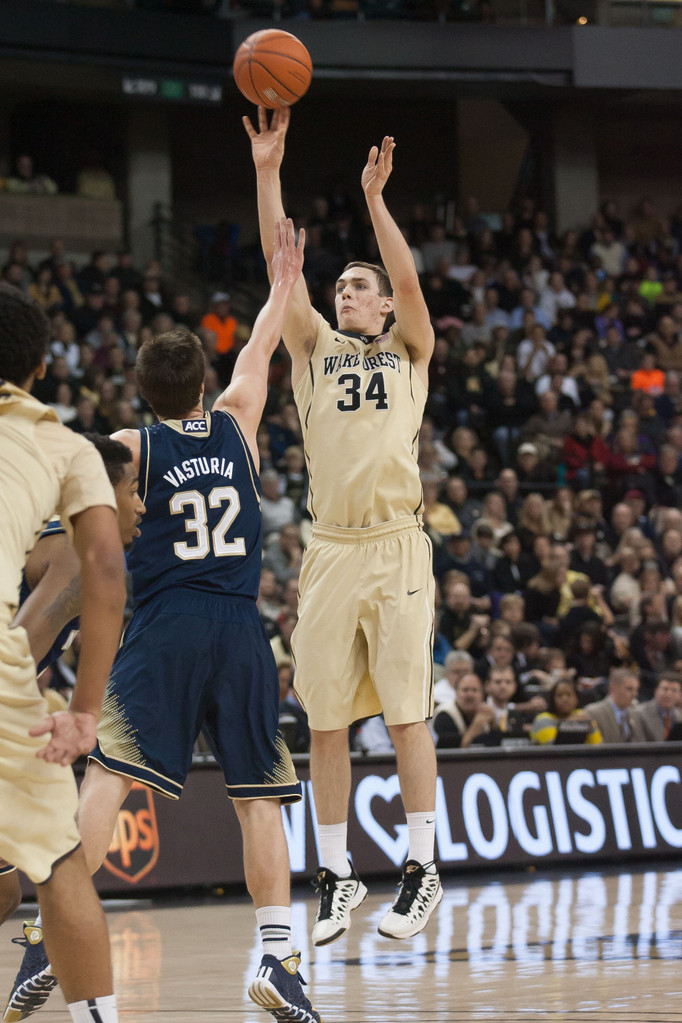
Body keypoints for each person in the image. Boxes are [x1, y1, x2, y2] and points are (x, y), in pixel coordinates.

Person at [246, 106, 441, 945]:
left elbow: (408, 280)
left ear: (384, 308)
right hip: (330, 550)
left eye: (358, 286)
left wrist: (375, 202)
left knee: (405, 715)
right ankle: (335, 875)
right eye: (341, 287)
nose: (346, 292)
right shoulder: (316, 352)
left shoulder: (409, 352)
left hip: (397, 543)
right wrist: (266, 171)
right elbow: (276, 266)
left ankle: (422, 867)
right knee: (324, 721)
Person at [0, 282, 126, 1023]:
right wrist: (82, 712)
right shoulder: (65, 444)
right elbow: (103, 570)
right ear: (44, 370)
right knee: (56, 862)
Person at [1, 433, 145, 1017]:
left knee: (8, 887)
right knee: (62, 864)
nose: (141, 505)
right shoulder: (75, 557)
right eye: (134, 491)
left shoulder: (50, 537)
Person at [530, 678, 602, 745]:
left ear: (576, 699)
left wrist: (590, 726)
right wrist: (570, 723)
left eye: (569, 695)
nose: (565, 699)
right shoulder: (542, 719)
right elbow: (554, 749)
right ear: (552, 699)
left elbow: (597, 747)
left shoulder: (582, 716)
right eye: (559, 695)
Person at [587, 668, 645, 743]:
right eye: (629, 689)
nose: (635, 695)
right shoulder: (593, 713)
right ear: (612, 688)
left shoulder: (637, 714)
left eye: (636, 690)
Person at [631, 671, 682, 741]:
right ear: (656, 691)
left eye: (674, 690)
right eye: (665, 689)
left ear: (679, 695)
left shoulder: (679, 715)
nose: (669, 694)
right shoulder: (639, 713)